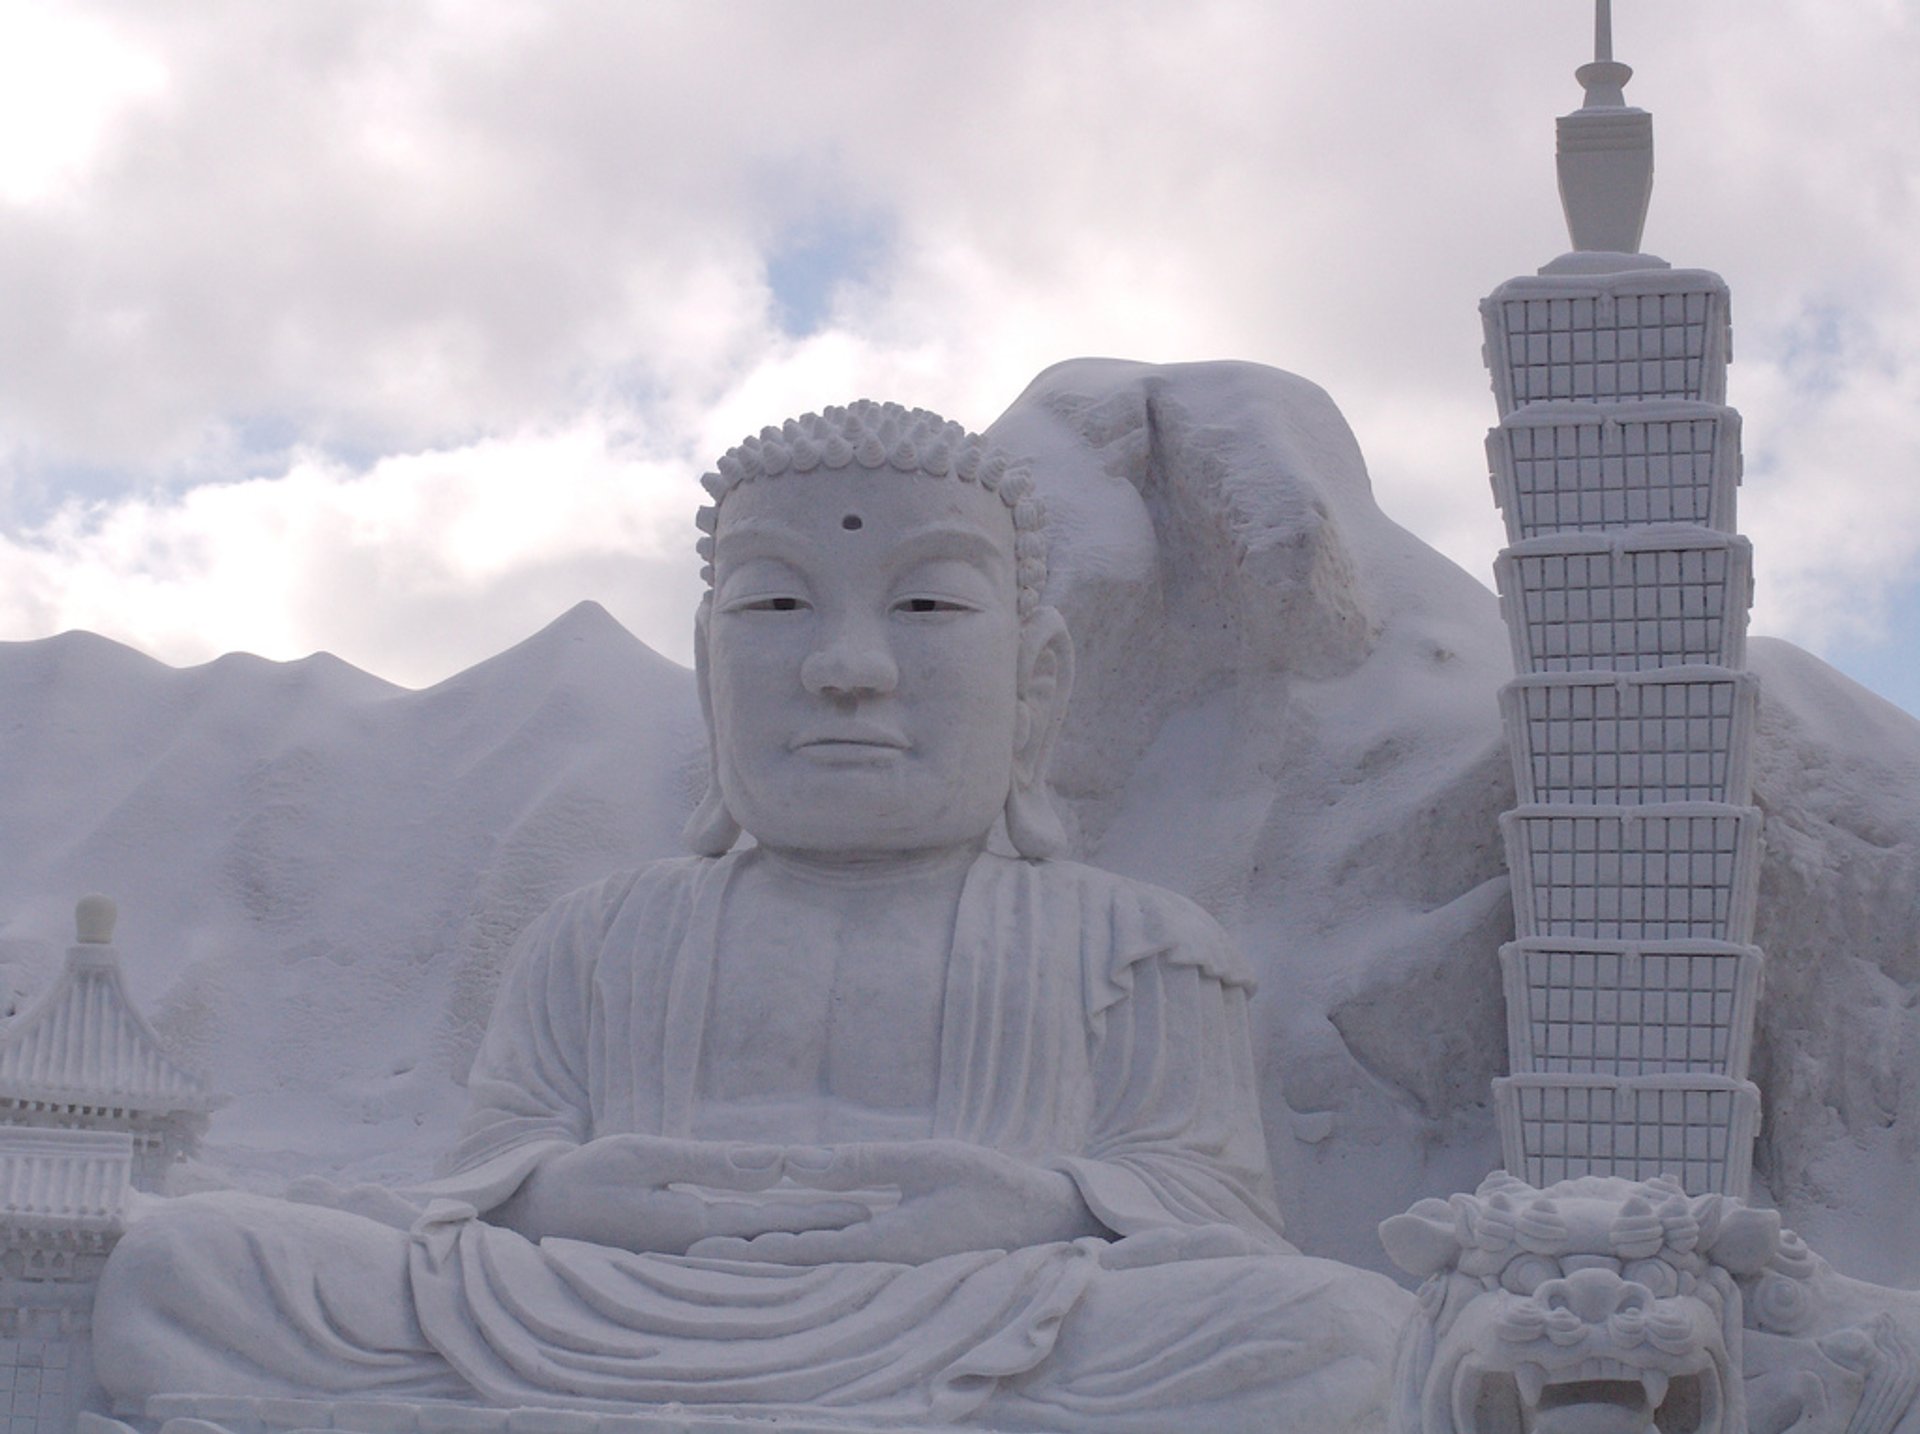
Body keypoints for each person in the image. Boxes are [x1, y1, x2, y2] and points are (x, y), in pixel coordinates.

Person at [92, 402, 1410, 1430]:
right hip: (587, 1309)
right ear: (713, 661)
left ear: (1038, 676)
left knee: (1340, 1338)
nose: (847, 667)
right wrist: (584, 1188)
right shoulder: (601, 933)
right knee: (194, 1269)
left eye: (930, 605)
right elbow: (484, 1187)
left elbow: (1207, 1216)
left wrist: (1015, 1203)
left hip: (988, 1309)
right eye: (777, 604)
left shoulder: (1138, 941)